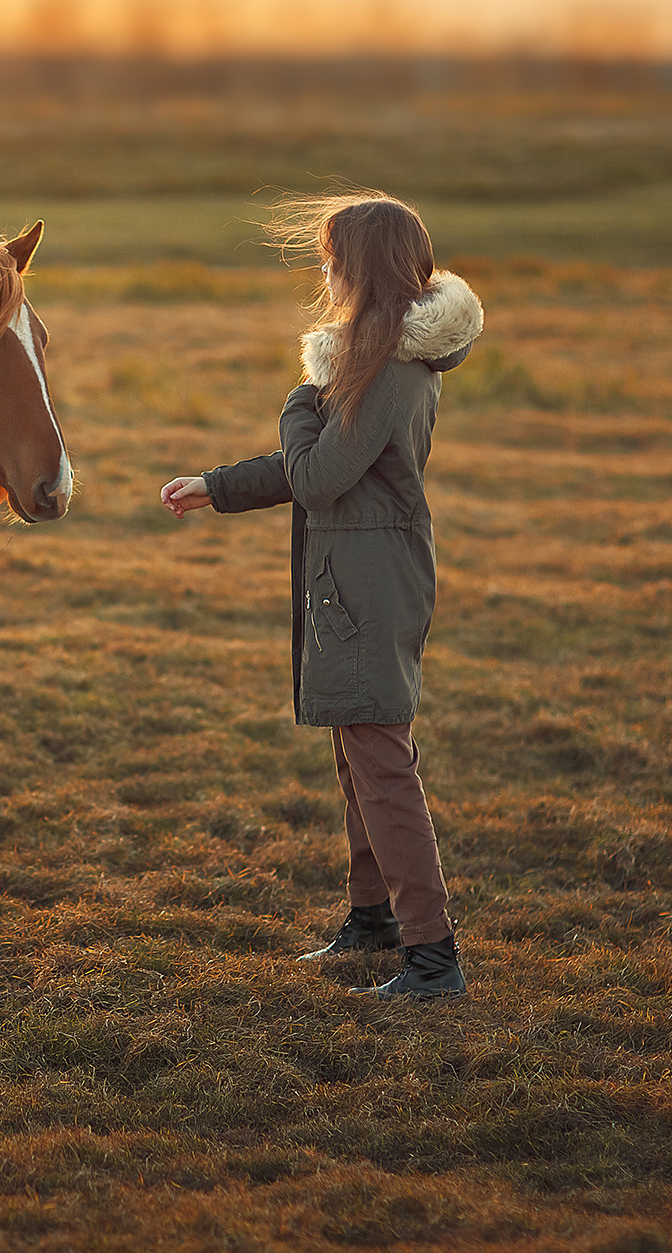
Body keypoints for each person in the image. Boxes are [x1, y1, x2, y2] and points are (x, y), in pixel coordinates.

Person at [160, 192, 483, 1000]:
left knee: (382, 766)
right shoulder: (379, 359)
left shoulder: (384, 371)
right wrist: (218, 485)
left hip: (369, 587)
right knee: (360, 760)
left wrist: (300, 395)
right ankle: (372, 922)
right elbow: (322, 468)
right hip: (362, 579)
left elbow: (317, 472)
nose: (326, 270)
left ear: (362, 268)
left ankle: (432, 959)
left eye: (333, 257)